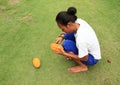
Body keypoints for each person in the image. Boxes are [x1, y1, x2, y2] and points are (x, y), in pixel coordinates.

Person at [55, 7, 101, 73]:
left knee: (67, 45)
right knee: (68, 39)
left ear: (68, 25)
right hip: (88, 47)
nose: (62, 31)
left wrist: (65, 54)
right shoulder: (78, 21)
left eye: (63, 29)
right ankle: (73, 52)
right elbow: (71, 32)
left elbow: (85, 58)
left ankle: (83, 66)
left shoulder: (81, 40)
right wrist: (62, 36)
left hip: (92, 58)